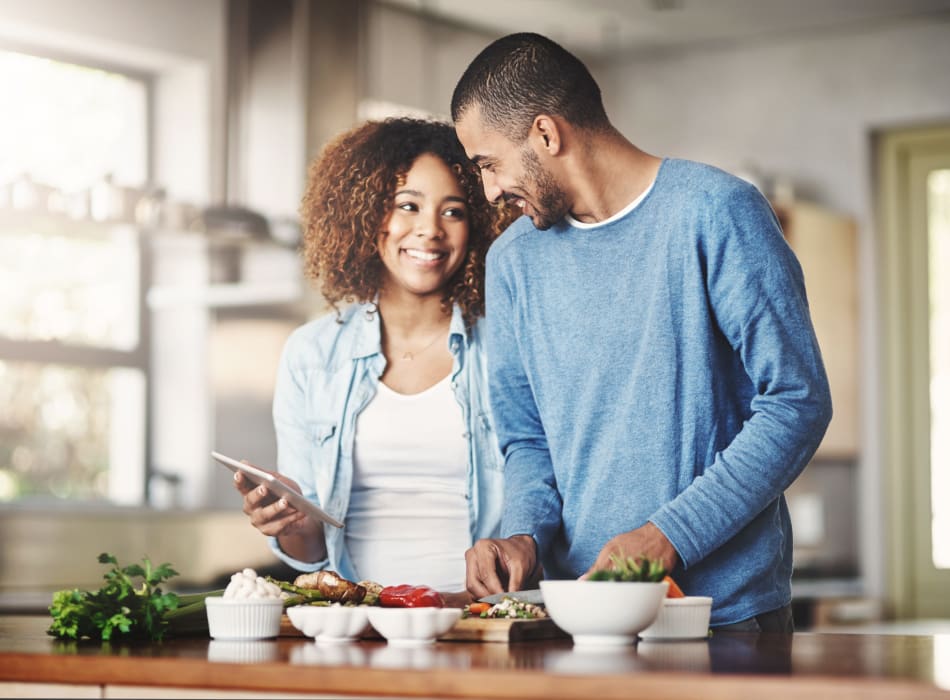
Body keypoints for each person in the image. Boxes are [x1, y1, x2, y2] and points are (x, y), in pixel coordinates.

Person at [451, 32, 833, 631]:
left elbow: (797, 401)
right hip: (576, 615)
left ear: (547, 134)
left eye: (489, 164)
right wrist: (522, 533)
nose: (489, 190)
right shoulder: (512, 262)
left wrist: (667, 538)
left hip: (722, 619)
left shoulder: (717, 213)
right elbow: (527, 439)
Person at [233, 117, 514, 602]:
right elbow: (312, 553)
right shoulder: (312, 355)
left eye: (454, 212)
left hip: (479, 625)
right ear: (366, 216)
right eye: (408, 206)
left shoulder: (508, 346)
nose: (429, 230)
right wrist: (286, 522)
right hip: (357, 625)